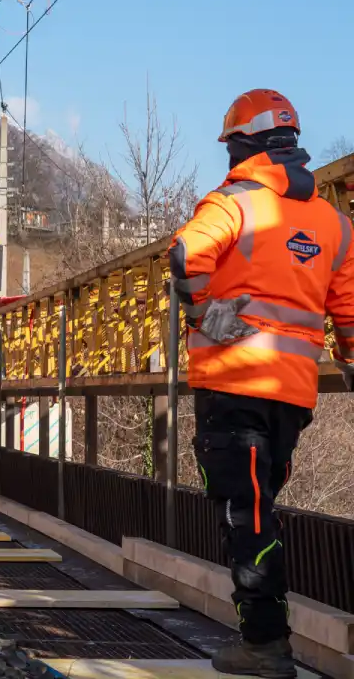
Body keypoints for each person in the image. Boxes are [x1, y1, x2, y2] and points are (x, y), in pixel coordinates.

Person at [169, 88, 354, 678]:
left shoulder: (233, 204)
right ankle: (265, 636)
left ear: (243, 144)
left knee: (243, 513)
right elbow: (349, 314)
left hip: (233, 384)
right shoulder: (335, 223)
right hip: (291, 397)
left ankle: (266, 644)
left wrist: (201, 315)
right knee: (259, 508)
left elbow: (183, 258)